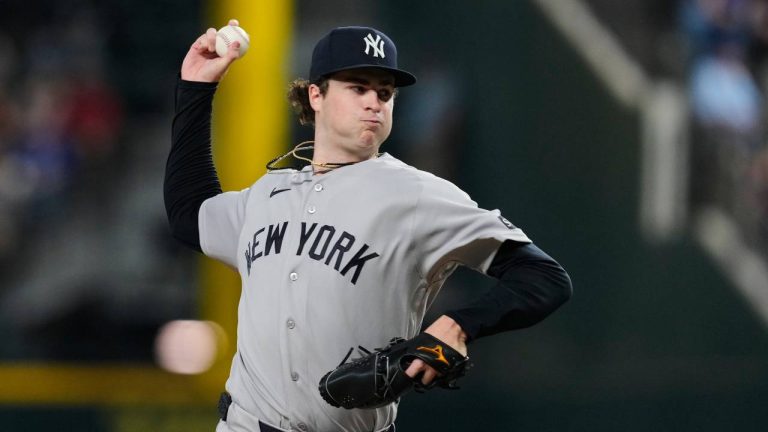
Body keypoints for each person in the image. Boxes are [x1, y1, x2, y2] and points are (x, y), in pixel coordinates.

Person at [165, 20, 572, 432]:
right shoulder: (268, 193)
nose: (374, 102)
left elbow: (543, 278)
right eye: (358, 88)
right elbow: (188, 213)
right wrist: (196, 88)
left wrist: (460, 325)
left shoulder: (416, 195)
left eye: (385, 92)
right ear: (316, 95)